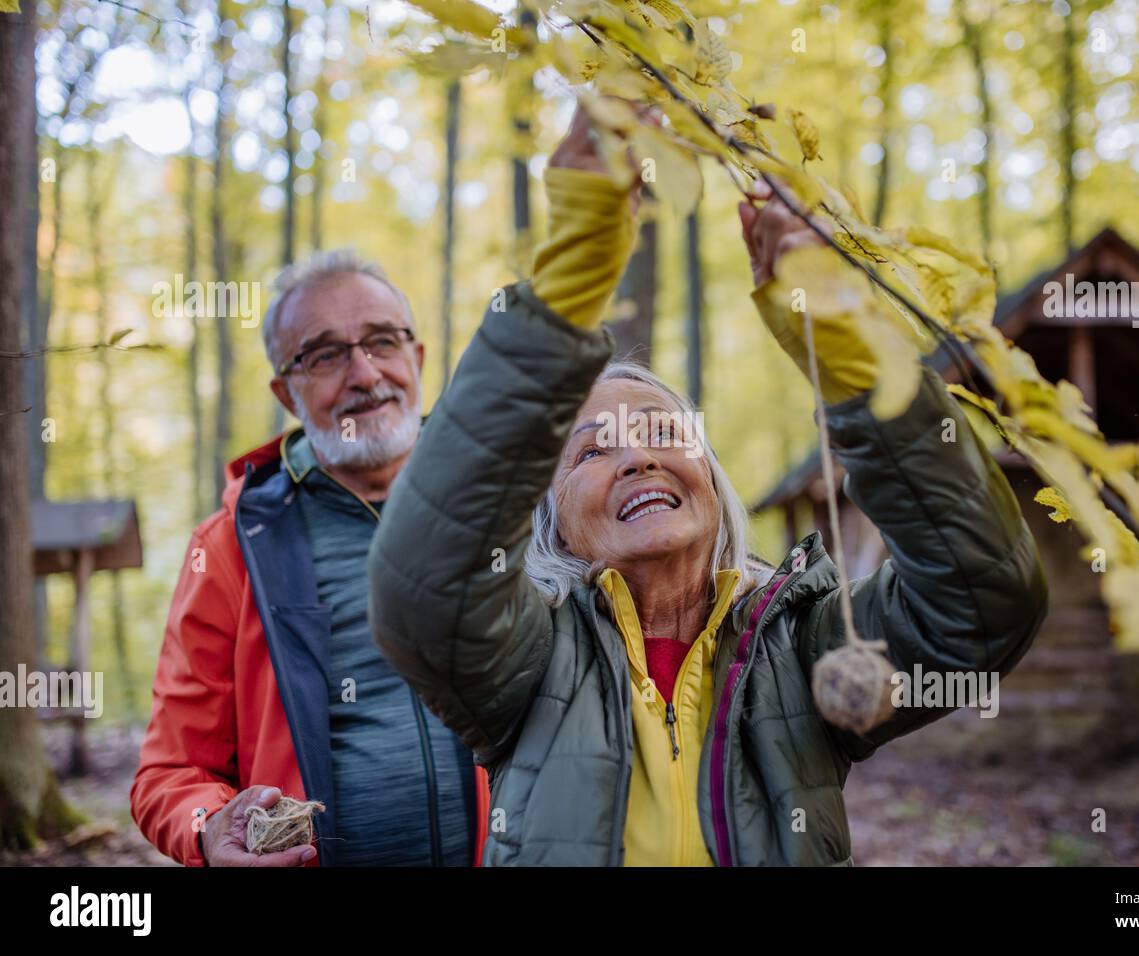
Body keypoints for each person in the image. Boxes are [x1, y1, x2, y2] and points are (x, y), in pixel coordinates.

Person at [368, 103, 1048, 865]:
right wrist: (569, 282)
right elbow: (423, 584)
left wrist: (854, 358)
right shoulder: (527, 659)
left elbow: (984, 605)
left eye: (663, 432)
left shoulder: (802, 646)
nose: (637, 458)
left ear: (709, 476)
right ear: (550, 522)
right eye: (591, 452)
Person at [132, 251, 489, 866]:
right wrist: (208, 825)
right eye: (325, 355)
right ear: (288, 393)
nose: (364, 373)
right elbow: (170, 772)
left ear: (418, 357)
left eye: (382, 341)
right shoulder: (231, 547)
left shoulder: (509, 500)